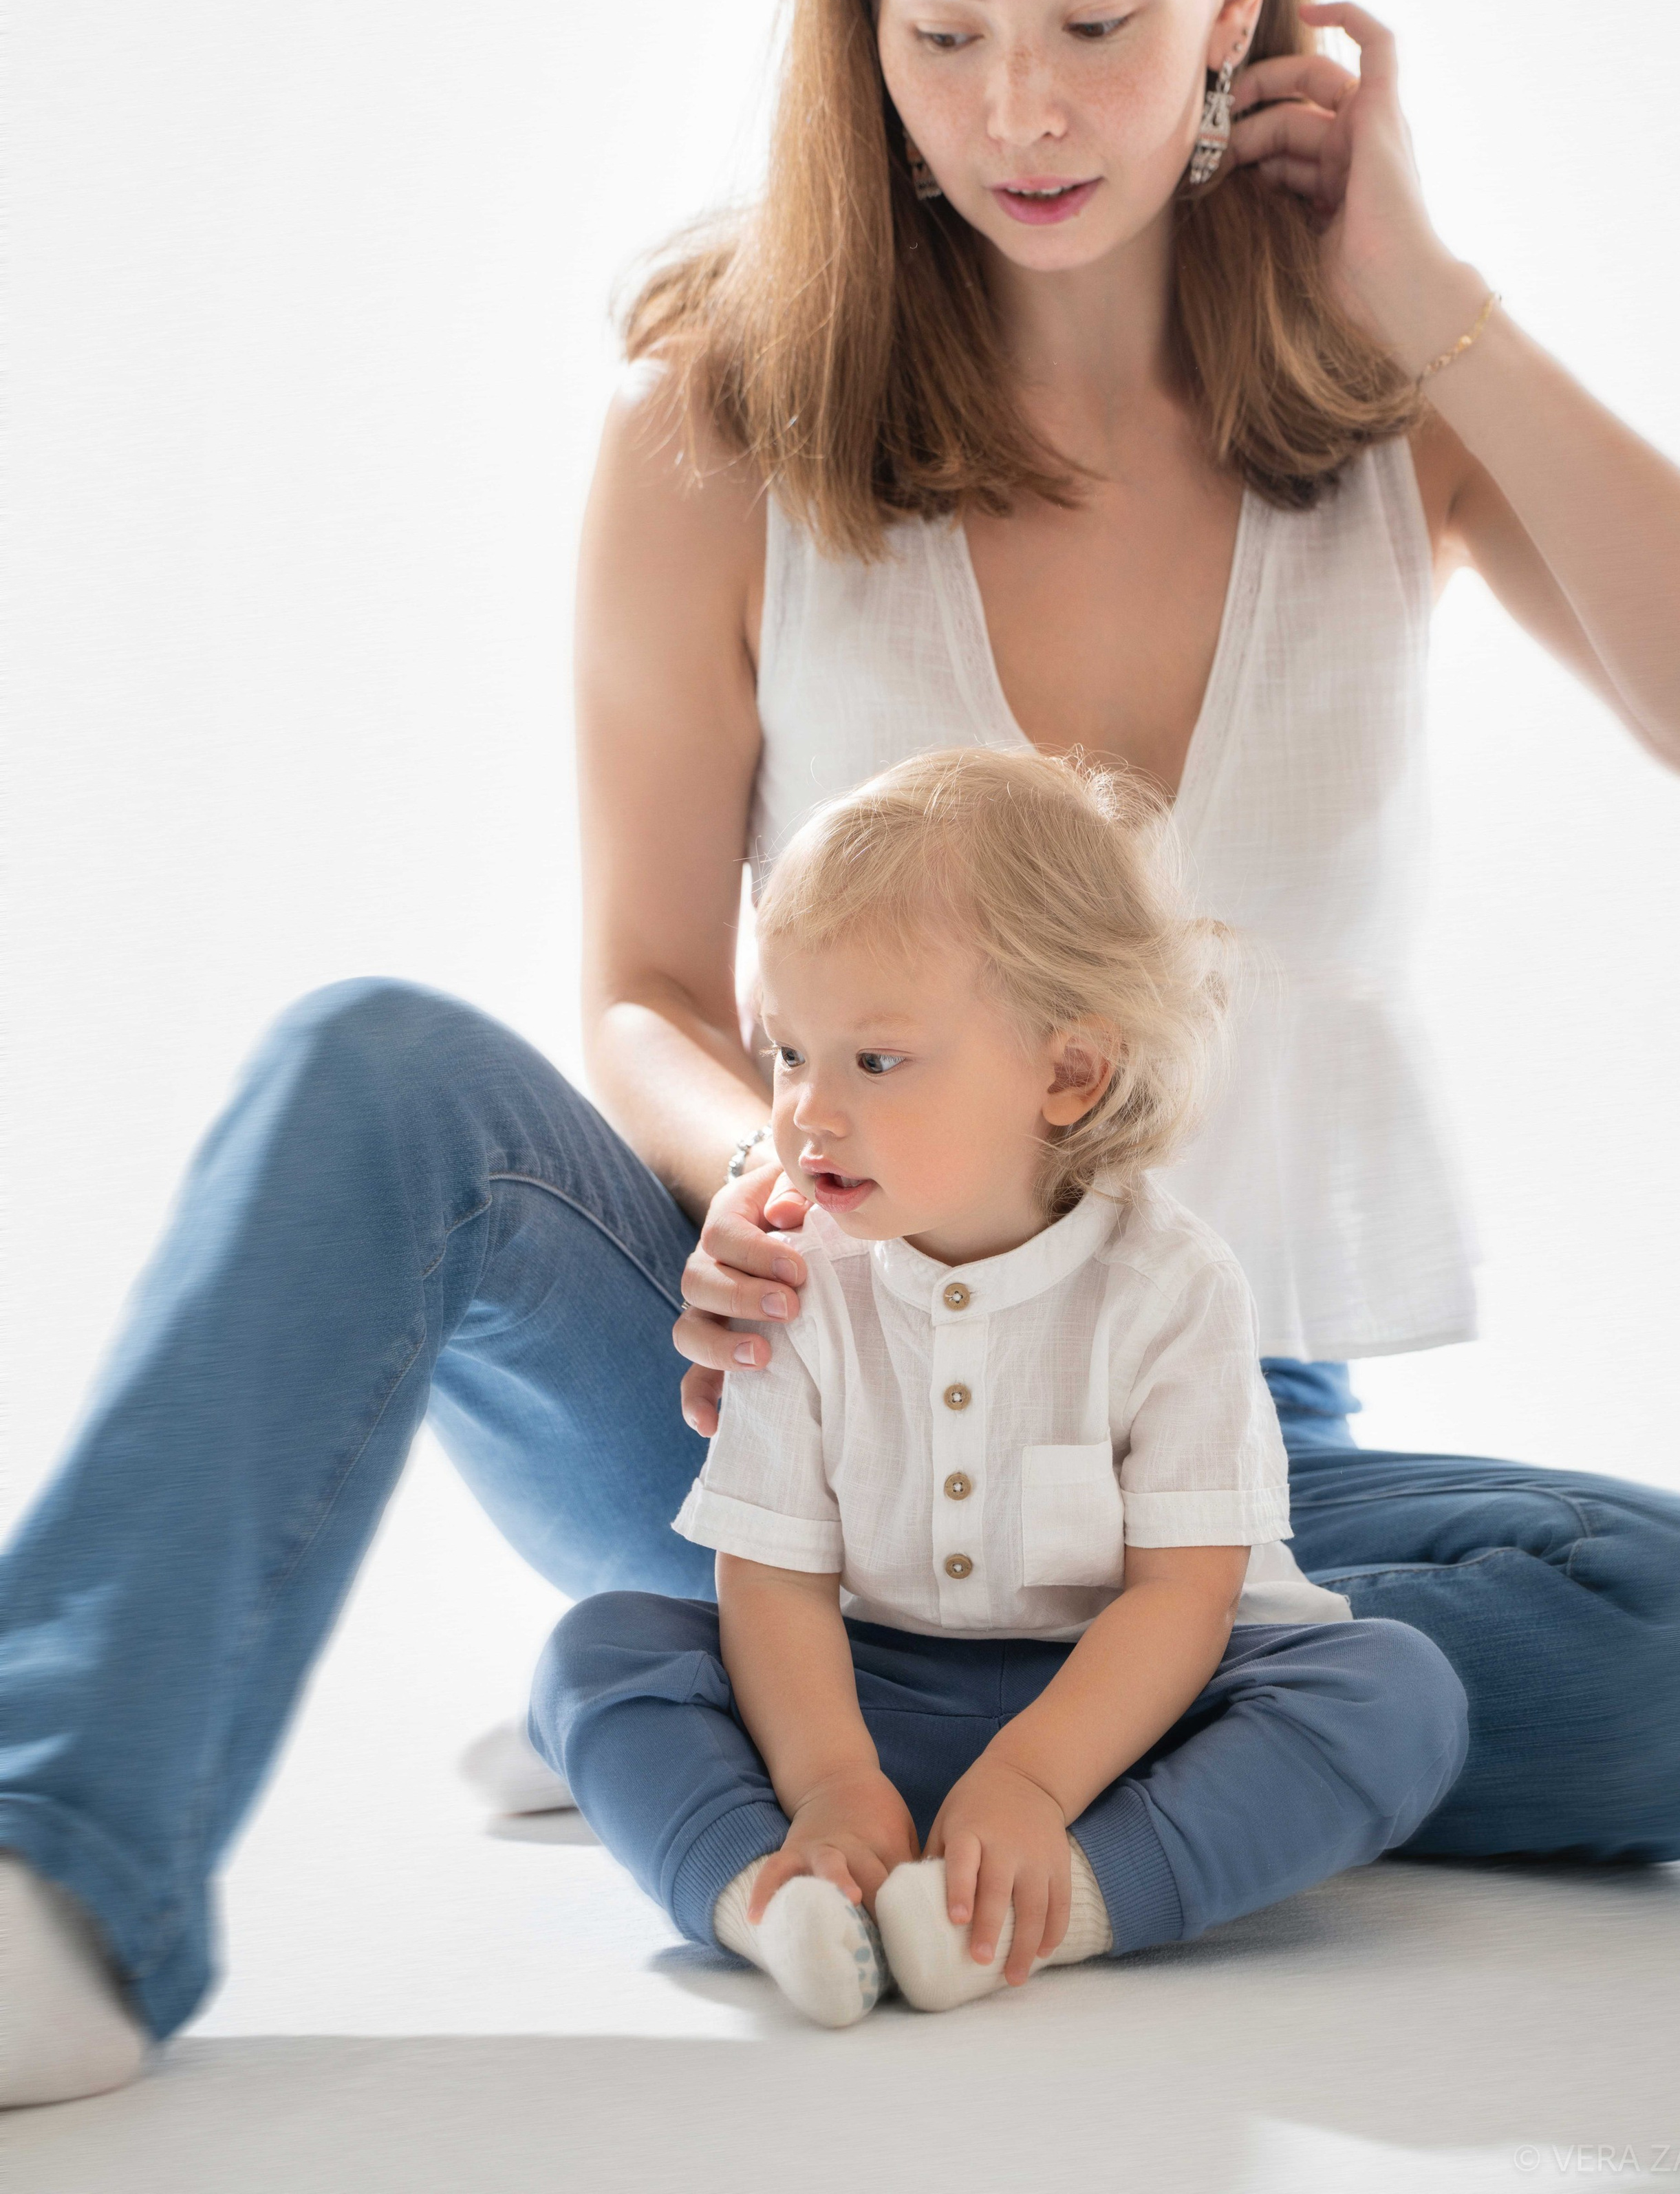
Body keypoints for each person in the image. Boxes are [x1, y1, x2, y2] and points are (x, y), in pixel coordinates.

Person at [0, 0, 1680, 2107]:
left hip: (1201, 1445)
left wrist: (1435, 307)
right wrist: (769, 1187)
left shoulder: (1388, 419)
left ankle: (767, 1718)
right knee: (367, 1075)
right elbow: (630, 986)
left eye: (1094, 20)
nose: (1016, 108)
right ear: (862, 22)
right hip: (787, 1397)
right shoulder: (721, 419)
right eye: (941, 32)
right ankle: (60, 1857)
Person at [530, 747, 1469, 2029]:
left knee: (1394, 1694)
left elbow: (1185, 1597)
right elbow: (777, 1581)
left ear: (1066, 1076)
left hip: (1129, 1716)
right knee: (601, 1655)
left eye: (876, 1062)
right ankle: (774, 1896)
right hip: (873, 1702)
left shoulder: (1173, 1287)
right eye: (790, 1050)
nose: (805, 1113)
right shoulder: (797, 1273)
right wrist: (829, 1782)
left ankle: (1054, 1904)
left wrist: (1032, 1782)